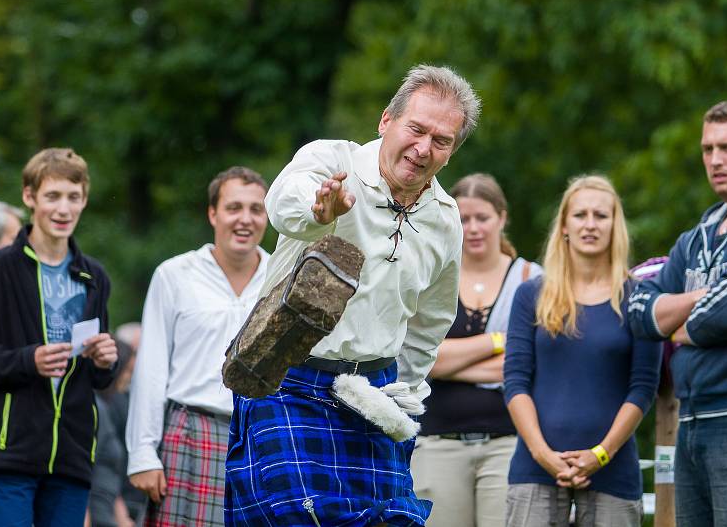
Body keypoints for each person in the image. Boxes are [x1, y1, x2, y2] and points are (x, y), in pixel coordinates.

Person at [225, 64, 481, 526]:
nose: (423, 149)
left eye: (440, 141)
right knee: (303, 518)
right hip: (289, 382)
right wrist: (319, 210)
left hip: (374, 393)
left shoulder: (446, 219)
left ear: (451, 153)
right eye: (416, 129)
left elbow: (429, 322)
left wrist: (404, 391)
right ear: (387, 120)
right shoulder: (333, 161)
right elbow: (286, 199)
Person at [628, 100, 727, 526]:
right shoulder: (696, 237)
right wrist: (707, 298)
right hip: (693, 419)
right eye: (707, 149)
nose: (715, 159)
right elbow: (638, 312)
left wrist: (676, 322)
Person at [504, 175, 661, 526]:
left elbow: (643, 388)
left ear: (615, 225)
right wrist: (543, 455)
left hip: (613, 470)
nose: (590, 224)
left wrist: (601, 454)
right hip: (536, 469)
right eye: (580, 215)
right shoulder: (531, 295)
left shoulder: (640, 297)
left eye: (601, 216)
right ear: (564, 225)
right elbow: (515, 381)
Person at [126, 167, 270, 527]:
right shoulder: (175, 275)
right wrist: (142, 453)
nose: (245, 219)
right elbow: (151, 368)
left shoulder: (282, 277)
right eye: (234, 207)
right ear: (212, 214)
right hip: (192, 433)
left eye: (256, 209)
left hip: (263, 437)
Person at [0, 148, 118, 526]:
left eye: (73, 197)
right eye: (52, 196)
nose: (63, 209)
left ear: (85, 200)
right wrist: (29, 360)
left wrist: (107, 361)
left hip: (72, 456)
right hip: (9, 452)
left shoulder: (94, 276)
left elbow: (99, 377)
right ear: (30, 198)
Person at [411, 173, 541, 527]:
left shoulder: (532, 279)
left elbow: (531, 365)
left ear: (502, 217)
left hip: (510, 443)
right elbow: (417, 358)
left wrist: (447, 361)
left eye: (482, 218)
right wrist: (498, 342)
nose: (473, 228)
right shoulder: (432, 277)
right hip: (438, 442)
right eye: (464, 219)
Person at [88, 322, 144, 527]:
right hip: (99, 515)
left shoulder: (120, 402)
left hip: (111, 513)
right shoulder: (101, 408)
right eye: (127, 371)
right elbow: (89, 469)